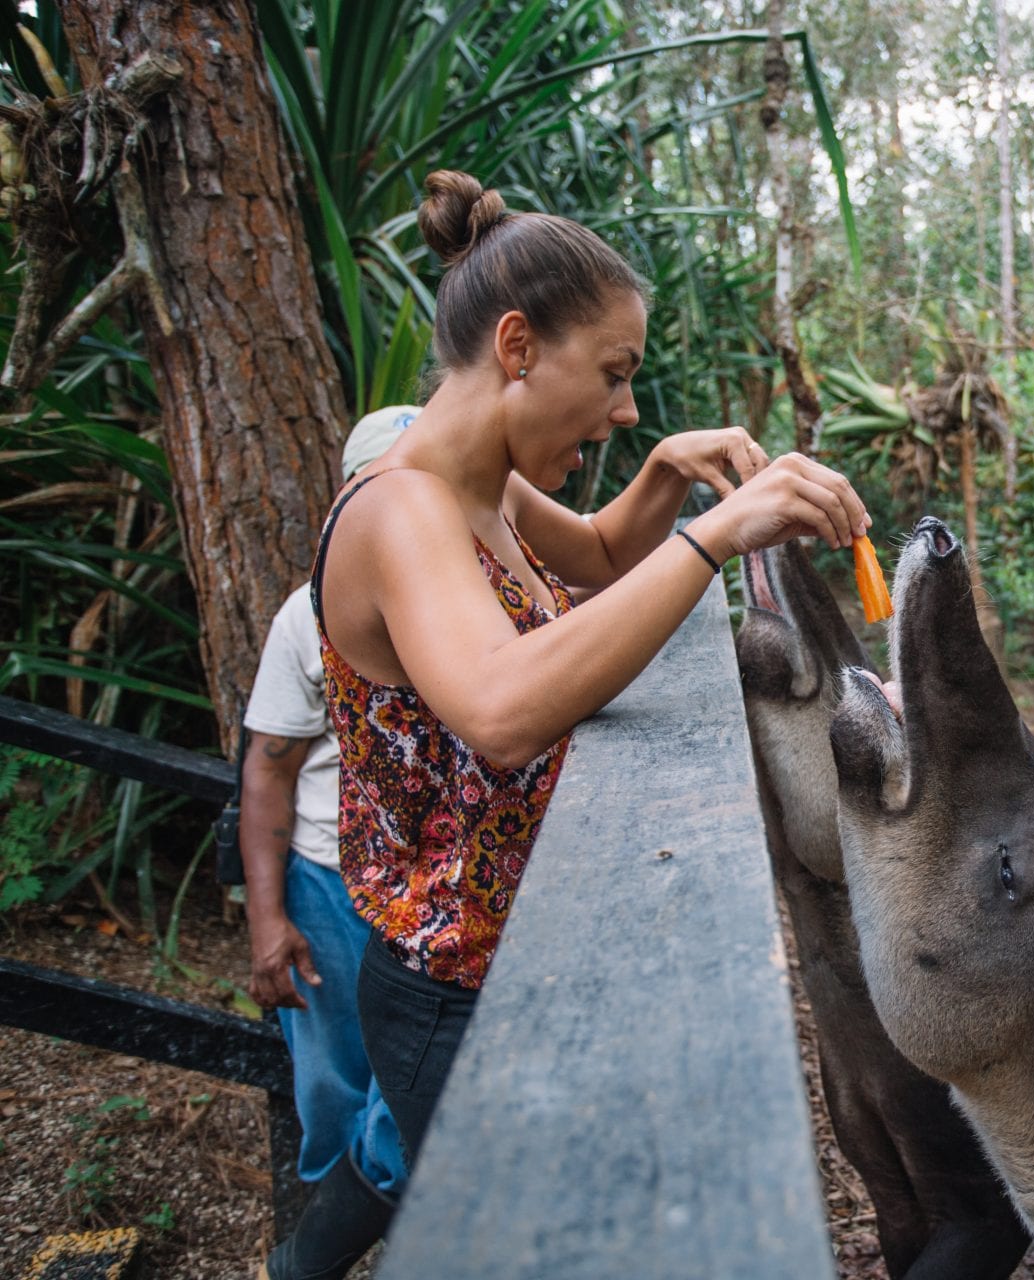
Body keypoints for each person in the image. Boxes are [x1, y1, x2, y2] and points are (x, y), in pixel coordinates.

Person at [310, 171, 869, 1180]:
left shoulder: (490, 488)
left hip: (538, 950)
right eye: (614, 374)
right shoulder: (400, 508)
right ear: (516, 346)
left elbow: (604, 562)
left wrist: (663, 471)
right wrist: (713, 532)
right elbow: (502, 707)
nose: (623, 407)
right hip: (455, 991)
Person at [244, 406, 419, 1280]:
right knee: (333, 1091)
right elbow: (269, 771)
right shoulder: (303, 620)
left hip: (431, 891)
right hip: (331, 886)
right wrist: (269, 919)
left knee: (407, 1098)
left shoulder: (466, 598)